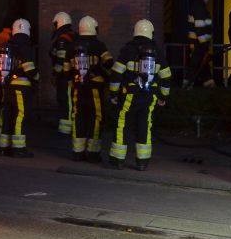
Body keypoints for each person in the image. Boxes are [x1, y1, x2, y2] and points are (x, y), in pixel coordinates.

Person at [107, 18, 172, 170]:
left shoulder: (128, 49)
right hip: (150, 96)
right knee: (145, 125)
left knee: (123, 125)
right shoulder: (157, 51)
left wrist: (114, 94)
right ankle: (142, 162)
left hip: (130, 95)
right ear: (151, 33)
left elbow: (116, 73)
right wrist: (163, 97)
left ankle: (118, 160)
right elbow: (167, 76)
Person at [69, 15, 113, 161]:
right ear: (94, 28)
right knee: (97, 117)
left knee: (78, 116)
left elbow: (65, 70)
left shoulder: (72, 46)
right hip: (95, 87)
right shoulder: (99, 45)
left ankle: (77, 151)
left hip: (77, 87)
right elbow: (109, 63)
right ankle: (93, 153)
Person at [0, 18, 37, 157]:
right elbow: (29, 69)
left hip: (7, 86)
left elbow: (0, 68)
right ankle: (18, 148)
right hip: (21, 86)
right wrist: (37, 77)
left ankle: (4, 147)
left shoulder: (8, 45)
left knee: (7, 114)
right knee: (20, 115)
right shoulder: (25, 46)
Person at [49, 12, 75, 135]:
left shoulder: (63, 39)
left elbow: (60, 59)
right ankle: (65, 124)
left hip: (65, 76)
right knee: (66, 99)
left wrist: (55, 73)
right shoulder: (72, 36)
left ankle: (66, 128)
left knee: (65, 99)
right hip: (71, 74)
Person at [186, 0, 214, 87]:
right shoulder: (200, 8)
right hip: (198, 43)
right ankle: (188, 84)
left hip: (197, 42)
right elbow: (200, 28)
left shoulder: (198, 6)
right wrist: (204, 44)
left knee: (202, 63)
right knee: (196, 64)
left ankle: (208, 83)